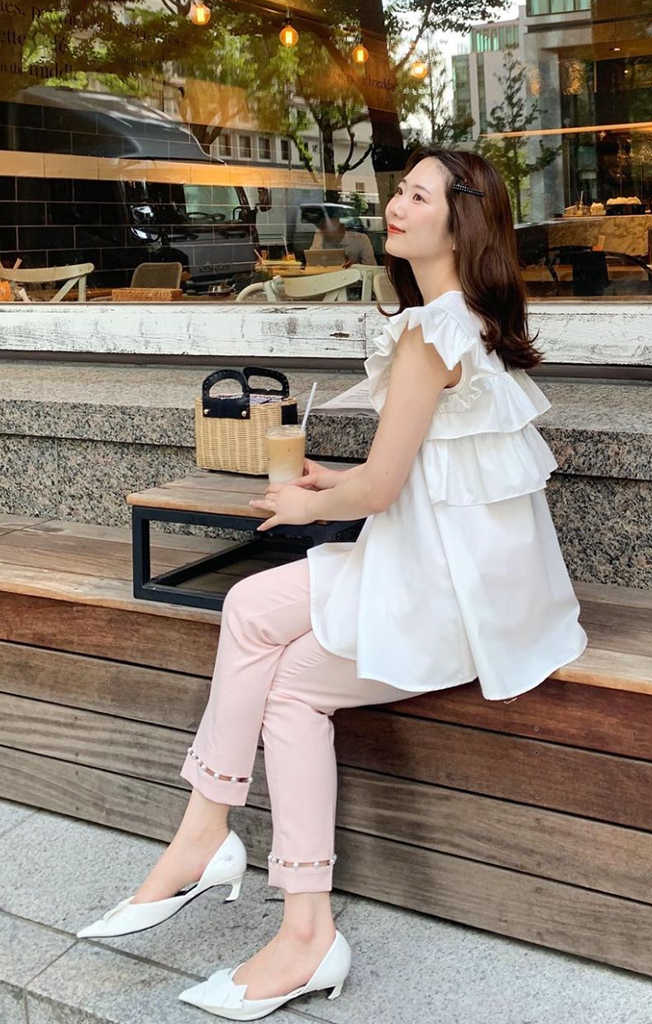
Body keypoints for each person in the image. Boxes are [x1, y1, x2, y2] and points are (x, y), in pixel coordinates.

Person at [76, 146, 589, 1019]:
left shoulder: (431, 334)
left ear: (458, 223)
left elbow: (382, 490)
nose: (396, 206)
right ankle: (251, 879)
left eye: (417, 195)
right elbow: (428, 471)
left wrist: (304, 502)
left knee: (268, 648)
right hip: (464, 578)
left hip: (449, 596)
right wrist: (331, 480)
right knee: (266, 641)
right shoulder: (459, 321)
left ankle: (247, 880)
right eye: (399, 191)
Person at [309, 213, 376, 267]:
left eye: (333, 228)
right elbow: (311, 264)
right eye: (325, 229)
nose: (329, 233)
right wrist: (318, 236)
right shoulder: (322, 238)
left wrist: (354, 266)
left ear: (342, 227)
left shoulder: (361, 239)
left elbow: (372, 267)